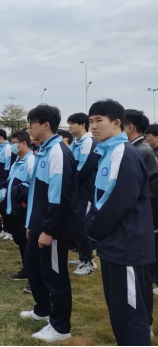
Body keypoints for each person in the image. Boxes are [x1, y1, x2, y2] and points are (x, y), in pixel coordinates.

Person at [86, 100, 155, 345]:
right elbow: (100, 197)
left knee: (130, 313)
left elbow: (119, 202)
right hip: (112, 244)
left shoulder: (123, 153)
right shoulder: (107, 151)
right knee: (118, 309)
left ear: (117, 123)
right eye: (91, 121)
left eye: (99, 121)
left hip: (126, 246)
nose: (93, 127)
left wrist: (92, 228)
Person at [21, 104, 75, 342]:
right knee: (33, 265)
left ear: (45, 124)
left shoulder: (58, 153)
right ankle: (43, 309)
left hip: (52, 229)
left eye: (31, 123)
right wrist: (31, 223)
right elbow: (38, 193)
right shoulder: (43, 150)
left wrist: (48, 230)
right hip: (38, 224)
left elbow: (59, 196)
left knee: (55, 275)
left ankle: (61, 327)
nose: (28, 128)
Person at [125, 109, 158, 334]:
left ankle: (146, 322)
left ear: (129, 127)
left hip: (144, 221)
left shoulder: (141, 151)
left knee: (142, 273)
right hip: (141, 219)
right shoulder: (137, 149)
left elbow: (149, 191)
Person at [67, 113, 99, 277]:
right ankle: (82, 257)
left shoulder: (89, 142)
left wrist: (69, 182)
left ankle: (88, 262)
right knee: (75, 225)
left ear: (82, 125)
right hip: (75, 191)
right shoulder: (75, 142)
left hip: (85, 192)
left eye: (72, 124)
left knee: (82, 226)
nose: (69, 127)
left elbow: (84, 168)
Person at [4, 131, 35, 284]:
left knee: (27, 242)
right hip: (13, 209)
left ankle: (32, 273)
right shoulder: (17, 161)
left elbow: (32, 186)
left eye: (14, 142)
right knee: (19, 240)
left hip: (24, 210)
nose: (12, 146)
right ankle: (26, 268)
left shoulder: (31, 161)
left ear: (23, 144)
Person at [0, 128, 13, 240]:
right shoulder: (0, 149)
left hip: (3, 185)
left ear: (0, 137)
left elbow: (7, 169)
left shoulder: (8, 149)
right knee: (1, 209)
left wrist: (4, 186)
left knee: (6, 209)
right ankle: (5, 229)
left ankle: (10, 231)